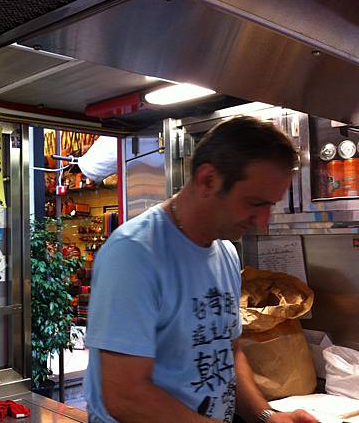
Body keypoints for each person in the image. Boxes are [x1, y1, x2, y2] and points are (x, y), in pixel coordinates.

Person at [84, 116, 318, 423]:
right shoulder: (135, 254)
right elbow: (125, 396)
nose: (263, 221)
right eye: (254, 203)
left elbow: (228, 351)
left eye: (269, 206)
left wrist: (265, 416)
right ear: (208, 180)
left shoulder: (225, 254)